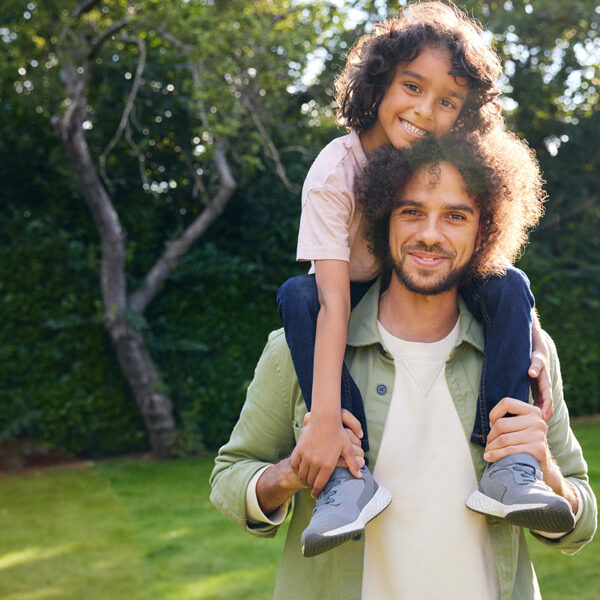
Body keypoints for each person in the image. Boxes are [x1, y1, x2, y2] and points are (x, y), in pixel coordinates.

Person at [210, 131, 597, 599]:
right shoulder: (301, 349)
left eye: (455, 216)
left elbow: (580, 522)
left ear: (484, 230)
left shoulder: (525, 354)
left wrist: (547, 471)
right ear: (381, 221)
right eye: (411, 211)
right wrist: (295, 469)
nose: (430, 235)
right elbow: (230, 477)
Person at [276, 1, 554, 557]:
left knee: (512, 284)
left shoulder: (438, 164)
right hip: (349, 293)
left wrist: (534, 338)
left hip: (425, 277)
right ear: (379, 84)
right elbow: (331, 305)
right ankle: (346, 474)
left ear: (464, 115)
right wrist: (324, 418)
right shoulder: (337, 170)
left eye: (447, 101)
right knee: (297, 296)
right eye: (412, 86)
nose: (425, 110)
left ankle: (510, 464)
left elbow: (488, 262)